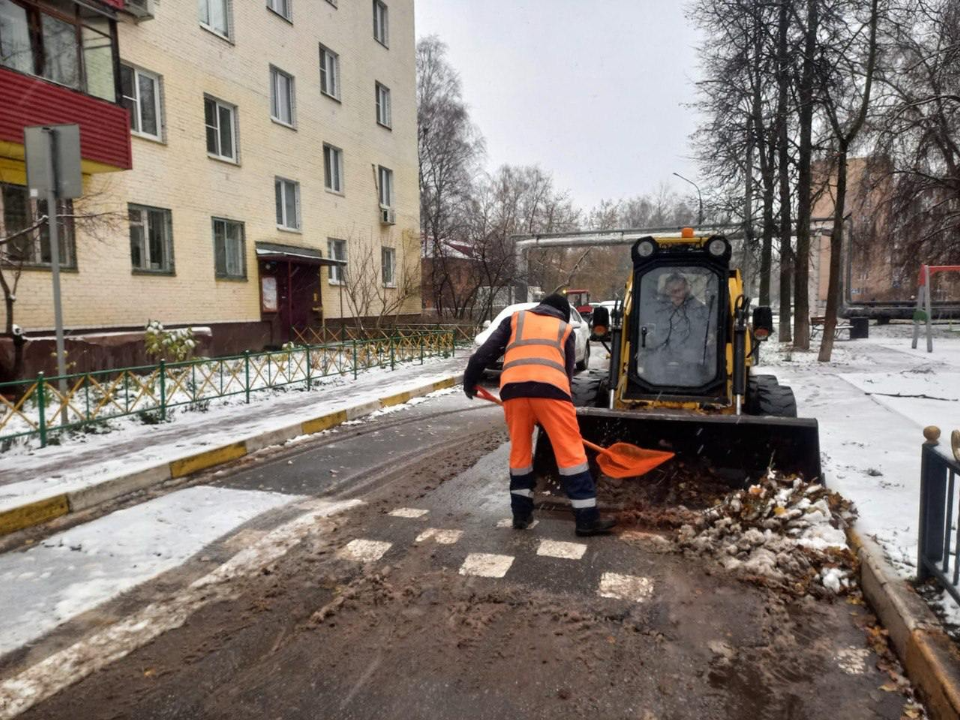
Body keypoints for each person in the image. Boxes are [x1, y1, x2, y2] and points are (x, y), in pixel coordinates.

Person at [463, 293, 616, 537]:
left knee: (520, 452)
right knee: (571, 453)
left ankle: (521, 515)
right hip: (552, 392)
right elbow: (567, 374)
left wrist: (469, 381)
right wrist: (553, 412)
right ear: (562, 313)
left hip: (513, 391)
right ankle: (587, 519)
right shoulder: (565, 329)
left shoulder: (515, 320)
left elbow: (484, 354)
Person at [642, 273, 715, 386]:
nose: (674, 295)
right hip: (663, 356)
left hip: (692, 359)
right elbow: (650, 334)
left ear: (687, 290)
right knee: (652, 364)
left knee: (693, 372)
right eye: (670, 291)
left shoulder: (701, 312)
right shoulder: (657, 311)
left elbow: (708, 337)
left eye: (678, 291)